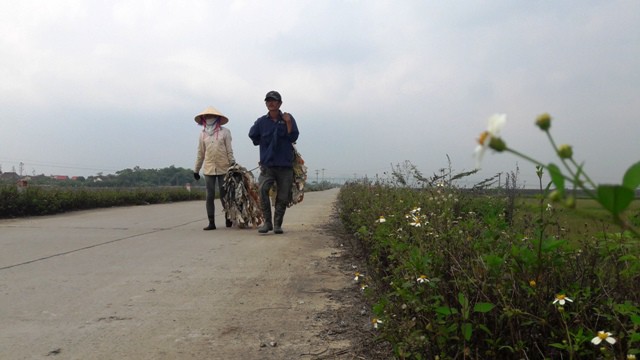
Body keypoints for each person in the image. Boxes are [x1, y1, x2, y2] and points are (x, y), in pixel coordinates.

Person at [248, 90, 300, 234]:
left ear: (280, 103)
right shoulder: (261, 122)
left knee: (283, 196)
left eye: (274, 100)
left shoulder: (288, 118)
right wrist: (264, 145)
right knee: (262, 190)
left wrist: (288, 123)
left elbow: (293, 137)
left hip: (285, 165)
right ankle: (267, 223)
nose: (271, 103)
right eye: (268, 101)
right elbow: (253, 136)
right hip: (268, 165)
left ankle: (277, 224)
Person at [193, 106, 235, 230]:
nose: (209, 118)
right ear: (203, 119)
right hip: (209, 168)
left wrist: (232, 163)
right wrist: (196, 169)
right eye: (206, 117)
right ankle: (211, 222)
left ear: (217, 118)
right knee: (209, 195)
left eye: (211, 116)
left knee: (224, 194)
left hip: (224, 167)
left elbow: (229, 150)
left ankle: (228, 217)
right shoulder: (202, 135)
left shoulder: (225, 132)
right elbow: (201, 153)